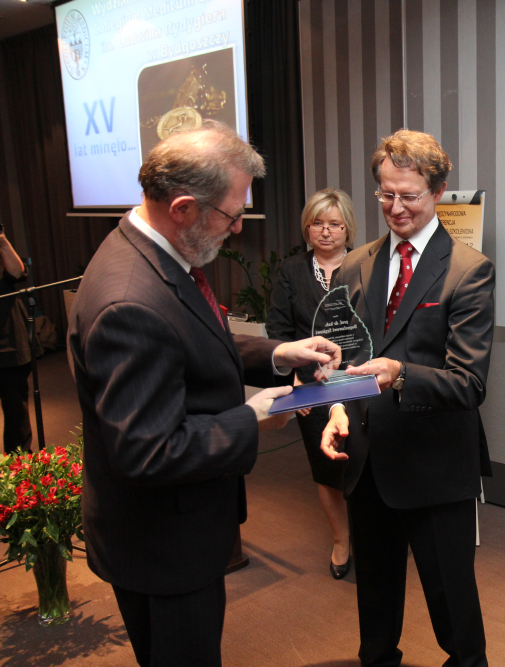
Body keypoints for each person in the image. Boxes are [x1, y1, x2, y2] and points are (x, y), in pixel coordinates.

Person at [67, 121, 342, 667]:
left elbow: (189, 341)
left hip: (171, 531)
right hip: (161, 545)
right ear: (183, 208)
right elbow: (148, 451)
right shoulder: (130, 301)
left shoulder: (153, 254)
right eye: (231, 214)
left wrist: (278, 354)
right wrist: (251, 416)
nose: (237, 228)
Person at [321, 129, 495, 667]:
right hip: (369, 461)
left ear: (438, 191)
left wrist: (400, 374)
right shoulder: (356, 264)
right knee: (374, 606)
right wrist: (336, 407)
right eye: (386, 194)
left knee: (453, 609)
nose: (395, 208)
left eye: (409, 196)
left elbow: (469, 384)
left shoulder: (468, 270)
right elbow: (347, 357)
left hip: (435, 466)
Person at [267, 188, 356, 578]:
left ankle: (374, 534)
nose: (326, 231)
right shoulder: (291, 271)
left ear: (347, 228)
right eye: (317, 223)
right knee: (327, 466)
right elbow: (279, 330)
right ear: (307, 228)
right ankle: (341, 539)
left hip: (359, 378)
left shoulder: (365, 266)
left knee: (365, 462)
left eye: (335, 224)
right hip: (311, 383)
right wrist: (295, 382)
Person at [0, 221, 37, 454]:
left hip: (8, 344)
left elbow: (17, 272)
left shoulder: (3, 251)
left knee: (16, 411)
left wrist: (2, 241)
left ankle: (19, 466)